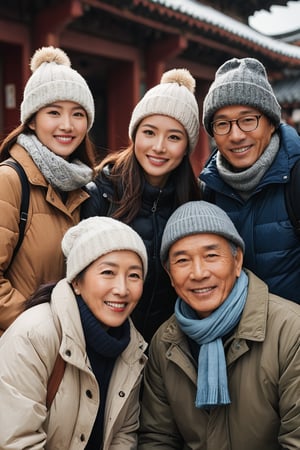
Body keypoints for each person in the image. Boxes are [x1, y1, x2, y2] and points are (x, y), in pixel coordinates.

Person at [138, 200, 300, 450]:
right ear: (170, 275)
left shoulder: (290, 329)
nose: (199, 272)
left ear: (237, 261)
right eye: (182, 261)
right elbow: (158, 438)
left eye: (211, 255)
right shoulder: (165, 342)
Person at [0, 216, 148, 449]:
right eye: (108, 272)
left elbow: (125, 433)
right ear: (77, 281)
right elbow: (16, 441)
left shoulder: (133, 347)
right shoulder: (35, 335)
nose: (122, 289)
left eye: (134, 275)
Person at [81, 68, 202, 342]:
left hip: (169, 348)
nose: (159, 147)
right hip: (105, 342)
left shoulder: (196, 202)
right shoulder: (100, 193)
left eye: (173, 137)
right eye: (149, 132)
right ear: (135, 135)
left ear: (186, 147)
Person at [0, 45, 97, 335]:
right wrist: (40, 330)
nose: (67, 125)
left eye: (78, 114)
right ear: (31, 120)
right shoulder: (9, 180)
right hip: (19, 350)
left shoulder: (84, 187)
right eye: (54, 112)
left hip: (66, 350)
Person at [199, 57, 300, 304]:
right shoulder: (209, 188)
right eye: (222, 124)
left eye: (247, 120)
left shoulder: (295, 176)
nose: (236, 135)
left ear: (270, 123)